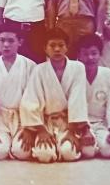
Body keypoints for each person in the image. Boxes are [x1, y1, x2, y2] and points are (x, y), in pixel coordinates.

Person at [20, 28, 90, 163]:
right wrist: (41, 131)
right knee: (44, 155)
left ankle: (62, 144)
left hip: (69, 123)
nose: (57, 49)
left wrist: (72, 130)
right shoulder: (39, 70)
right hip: (46, 123)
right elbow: (31, 101)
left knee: (69, 153)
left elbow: (78, 99)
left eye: (61, 45)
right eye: (52, 46)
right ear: (45, 49)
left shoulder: (78, 68)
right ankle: (51, 144)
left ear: (67, 48)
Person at [0, 23, 36, 160]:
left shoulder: (29, 65)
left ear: (20, 42)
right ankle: (6, 143)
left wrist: (29, 128)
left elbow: (33, 99)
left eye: (11, 41)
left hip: (22, 119)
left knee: (22, 152)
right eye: (2, 40)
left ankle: (16, 143)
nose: (6, 44)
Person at [76, 34, 110, 159]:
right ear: (79, 56)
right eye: (85, 54)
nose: (90, 57)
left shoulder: (108, 74)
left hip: (101, 123)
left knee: (109, 151)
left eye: (94, 53)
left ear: (100, 54)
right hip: (80, 124)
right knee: (88, 152)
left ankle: (98, 143)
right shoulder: (74, 74)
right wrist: (85, 130)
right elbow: (73, 106)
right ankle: (90, 145)